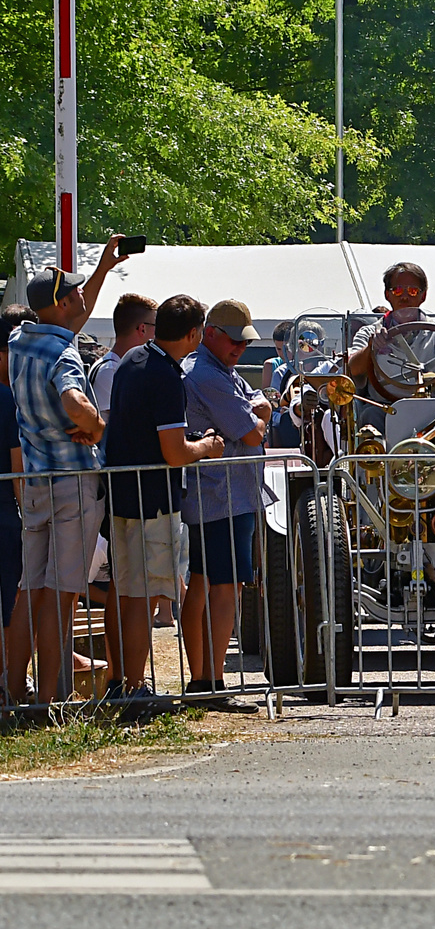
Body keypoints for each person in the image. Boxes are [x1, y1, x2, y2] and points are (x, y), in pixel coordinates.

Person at [8, 241, 127, 705]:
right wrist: (97, 428)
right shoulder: (65, 354)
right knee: (61, 595)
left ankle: (15, 691)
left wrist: (101, 270)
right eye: (74, 294)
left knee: (29, 590)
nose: (82, 298)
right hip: (73, 483)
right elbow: (75, 400)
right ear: (61, 303)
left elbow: (69, 319)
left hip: (36, 481)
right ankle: (50, 699)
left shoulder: (22, 340)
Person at [102, 296, 225, 697]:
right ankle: (135, 688)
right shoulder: (166, 376)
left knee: (124, 593)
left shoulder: (132, 358)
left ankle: (118, 681)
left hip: (121, 494)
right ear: (194, 333)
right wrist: (206, 446)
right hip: (151, 500)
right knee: (143, 596)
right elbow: (174, 454)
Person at [180, 300, 272, 704]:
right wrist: (260, 418)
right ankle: (212, 681)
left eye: (244, 342)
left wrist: (257, 412)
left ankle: (204, 677)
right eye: (234, 341)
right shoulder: (208, 374)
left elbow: (258, 401)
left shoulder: (218, 370)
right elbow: (252, 431)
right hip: (222, 495)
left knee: (204, 583)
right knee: (224, 586)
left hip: (220, 492)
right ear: (210, 333)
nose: (240, 349)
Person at [0, 307, 31, 704]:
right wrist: (29, 514)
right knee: (11, 600)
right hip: (7, 514)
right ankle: (10, 683)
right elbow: (16, 462)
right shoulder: (7, 398)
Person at [347, 261, 431, 397]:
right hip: (383, 407)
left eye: (412, 291)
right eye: (397, 290)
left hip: (434, 408)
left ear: (423, 296)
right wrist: (371, 348)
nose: (405, 297)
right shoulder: (369, 333)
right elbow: (353, 369)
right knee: (369, 416)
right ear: (387, 295)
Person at [90, 293, 157, 422]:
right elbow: (131, 426)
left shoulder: (115, 367)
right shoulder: (110, 371)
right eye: (156, 327)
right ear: (142, 329)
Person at [261, 321, 293, 391]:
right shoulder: (270, 365)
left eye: (287, 349)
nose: (283, 353)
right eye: (279, 349)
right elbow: (267, 395)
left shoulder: (305, 366)